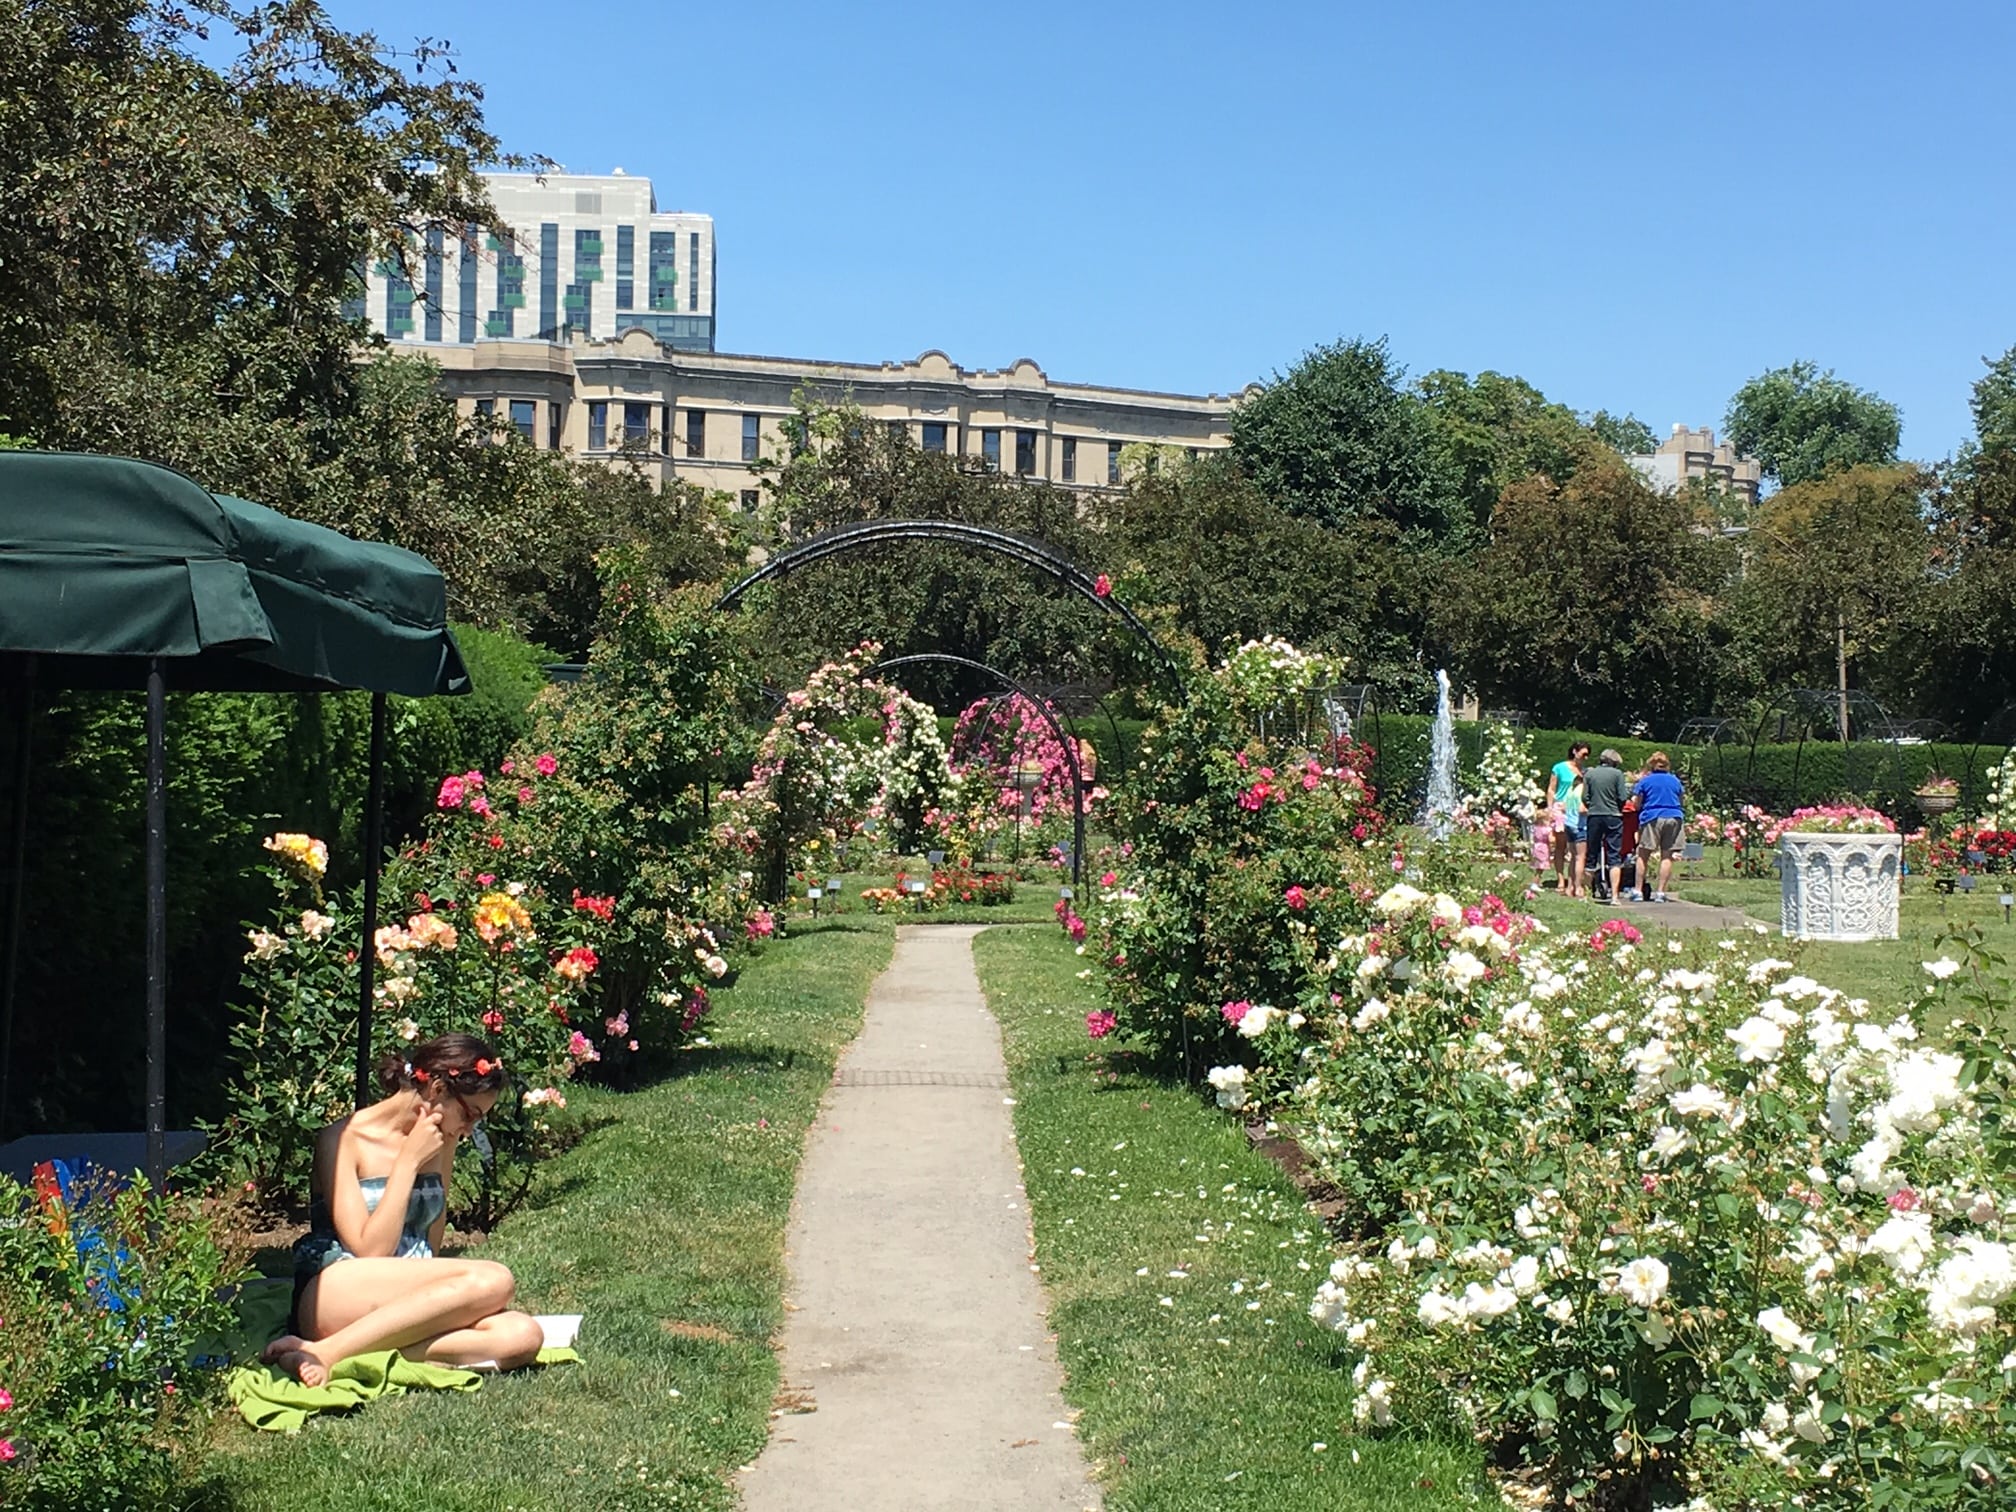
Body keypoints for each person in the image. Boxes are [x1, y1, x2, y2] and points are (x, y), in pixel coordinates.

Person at [260, 1034, 544, 1386]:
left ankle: (339, 1349)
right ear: (437, 1089)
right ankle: (327, 1353)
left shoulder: (441, 1139)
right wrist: (408, 1161)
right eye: (469, 1115)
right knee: (496, 1280)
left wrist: (444, 1153)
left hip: (400, 1298)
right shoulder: (344, 1139)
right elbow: (369, 1251)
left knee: (523, 1334)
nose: (469, 1130)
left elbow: (430, 1247)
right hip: (337, 1290)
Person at [1630, 751, 1687, 903]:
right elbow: (1682, 800)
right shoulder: (1675, 780)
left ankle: (1637, 890)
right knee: (1666, 855)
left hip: (1652, 817)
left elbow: (1636, 803)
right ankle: (1661, 892)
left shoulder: (1645, 781)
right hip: (1674, 816)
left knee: (1643, 854)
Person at [1580, 749, 1630, 903]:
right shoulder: (1617, 774)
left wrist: (1592, 805)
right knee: (1614, 856)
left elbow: (1584, 797)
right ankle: (1614, 896)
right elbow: (1622, 796)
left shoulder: (1589, 774)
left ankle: (1587, 895)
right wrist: (1617, 807)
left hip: (1594, 816)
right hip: (1613, 816)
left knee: (1591, 856)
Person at [1548, 742, 1590, 896]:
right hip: (1560, 807)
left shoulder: (1584, 772)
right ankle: (1560, 878)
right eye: (1583, 754)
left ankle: (1571, 881)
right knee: (1561, 845)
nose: (1585, 757)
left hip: (1575, 809)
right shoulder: (1559, 768)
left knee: (1573, 848)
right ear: (1574, 751)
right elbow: (1552, 788)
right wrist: (1550, 808)